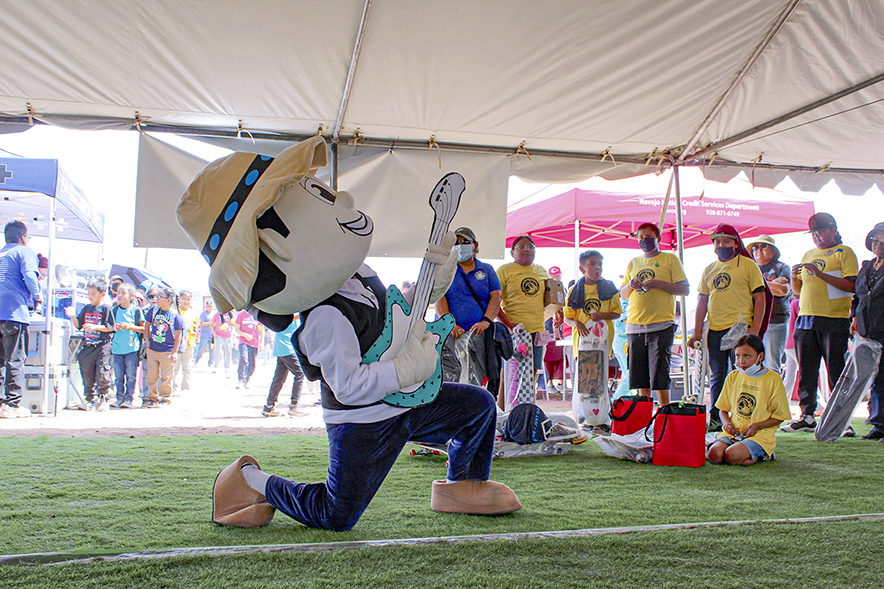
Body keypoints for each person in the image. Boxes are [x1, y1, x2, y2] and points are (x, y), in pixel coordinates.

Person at [177, 136, 519, 530]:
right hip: (365, 420)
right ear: (274, 245)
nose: (341, 200)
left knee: (476, 406)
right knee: (336, 514)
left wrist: (433, 286)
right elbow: (350, 386)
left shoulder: (359, 271)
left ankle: (463, 485)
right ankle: (249, 480)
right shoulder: (324, 317)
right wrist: (402, 370)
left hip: (406, 401)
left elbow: (391, 319)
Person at [687, 224, 770, 431]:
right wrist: (697, 331)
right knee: (717, 375)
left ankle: (747, 416)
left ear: (736, 243)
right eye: (717, 241)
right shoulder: (709, 269)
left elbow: (760, 297)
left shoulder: (748, 265)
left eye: (726, 241)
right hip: (715, 329)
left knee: (746, 373)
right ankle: (717, 418)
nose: (721, 245)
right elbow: (701, 302)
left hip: (741, 329)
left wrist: (755, 329)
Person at [782, 213, 858, 433]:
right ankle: (807, 415)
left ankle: (842, 420)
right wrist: (796, 279)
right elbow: (799, 292)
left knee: (835, 370)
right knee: (807, 369)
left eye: (821, 231)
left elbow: (851, 285)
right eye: (813, 232)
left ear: (833, 229)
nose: (816, 236)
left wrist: (821, 274)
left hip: (833, 318)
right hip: (806, 317)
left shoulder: (844, 253)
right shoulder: (809, 253)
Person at [620, 223, 690, 407]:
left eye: (649, 236)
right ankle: (644, 411)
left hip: (661, 324)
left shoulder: (670, 259)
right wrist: (631, 285)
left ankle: (664, 410)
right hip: (635, 325)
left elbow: (684, 290)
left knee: (660, 370)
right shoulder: (633, 262)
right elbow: (623, 294)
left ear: (658, 239)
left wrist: (660, 284)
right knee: (638, 373)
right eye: (640, 237)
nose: (644, 240)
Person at [435, 226, 502, 396]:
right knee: (449, 377)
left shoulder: (486, 269)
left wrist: (486, 321)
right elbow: (438, 295)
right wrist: (449, 323)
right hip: (450, 333)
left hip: (477, 334)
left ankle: (475, 413)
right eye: (456, 242)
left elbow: (496, 297)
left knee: (477, 379)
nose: (460, 245)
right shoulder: (445, 269)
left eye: (465, 242)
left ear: (475, 245)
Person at [707, 334, 790, 465]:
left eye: (747, 356)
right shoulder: (733, 376)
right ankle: (748, 453)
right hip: (733, 433)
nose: (741, 361)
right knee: (714, 455)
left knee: (732, 455)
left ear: (760, 357)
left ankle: (763, 453)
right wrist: (727, 424)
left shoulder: (773, 379)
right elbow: (722, 410)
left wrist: (756, 426)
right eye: (738, 356)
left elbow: (780, 416)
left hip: (759, 435)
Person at [496, 234, 549, 405]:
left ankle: (525, 412)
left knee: (531, 375)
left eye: (531, 246)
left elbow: (550, 298)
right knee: (509, 376)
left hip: (536, 330)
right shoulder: (504, 271)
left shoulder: (541, 270)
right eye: (521, 246)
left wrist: (558, 312)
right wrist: (508, 324)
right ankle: (503, 415)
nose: (527, 249)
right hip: (513, 331)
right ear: (512, 252)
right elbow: (493, 302)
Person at [0, 221, 42, 418]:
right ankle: (12, 403)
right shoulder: (24, 252)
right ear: (23, 238)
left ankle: (1, 403)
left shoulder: (2, 253)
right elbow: (30, 276)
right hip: (13, 311)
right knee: (15, 357)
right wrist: (38, 297)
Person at [850, 222, 884, 440]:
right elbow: (858, 297)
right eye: (874, 240)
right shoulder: (867, 267)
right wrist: (853, 316)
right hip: (867, 330)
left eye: (882, 241)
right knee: (873, 377)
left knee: (883, 377)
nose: (878, 244)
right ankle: (878, 424)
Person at [65, 277, 116, 411]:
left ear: (102, 294)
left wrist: (95, 327)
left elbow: (111, 328)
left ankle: (103, 397)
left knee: (102, 371)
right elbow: (79, 325)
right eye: (89, 293)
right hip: (88, 345)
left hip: (102, 345)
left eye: (93, 294)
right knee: (86, 371)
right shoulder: (87, 308)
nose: (90, 296)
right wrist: (72, 316)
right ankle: (89, 399)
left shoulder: (106, 308)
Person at [563, 250, 621, 357]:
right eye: (593, 264)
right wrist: (576, 323)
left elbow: (616, 314)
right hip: (582, 341)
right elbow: (567, 318)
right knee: (583, 372)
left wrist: (602, 315)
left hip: (603, 340)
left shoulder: (609, 288)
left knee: (601, 372)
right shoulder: (573, 290)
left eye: (600, 264)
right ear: (582, 269)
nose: (598, 267)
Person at [747, 235, 791, 373]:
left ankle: (773, 394)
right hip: (754, 323)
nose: (758, 250)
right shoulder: (750, 269)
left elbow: (783, 290)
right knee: (751, 365)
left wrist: (756, 285)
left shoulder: (782, 267)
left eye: (763, 246)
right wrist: (772, 284)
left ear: (774, 250)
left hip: (775, 320)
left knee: (771, 365)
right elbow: (744, 288)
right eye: (755, 247)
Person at [141, 286, 183, 407]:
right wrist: (147, 342)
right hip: (153, 349)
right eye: (155, 296)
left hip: (167, 351)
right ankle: (152, 398)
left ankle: (165, 398)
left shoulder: (175, 315)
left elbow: (178, 334)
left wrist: (174, 352)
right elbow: (147, 324)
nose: (156, 299)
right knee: (152, 376)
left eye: (159, 297)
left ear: (169, 299)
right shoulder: (153, 311)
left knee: (166, 377)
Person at [261, 318, 306, 417]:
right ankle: (294, 405)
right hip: (287, 348)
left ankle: (269, 406)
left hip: (281, 348)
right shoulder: (292, 314)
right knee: (299, 374)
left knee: (279, 378)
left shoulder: (283, 312)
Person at [109, 283, 144, 409]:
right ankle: (119, 398)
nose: (120, 295)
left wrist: (131, 327)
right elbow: (108, 327)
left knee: (131, 375)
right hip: (117, 348)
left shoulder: (136, 310)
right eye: (118, 292)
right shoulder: (114, 310)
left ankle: (129, 398)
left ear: (131, 296)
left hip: (131, 348)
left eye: (123, 293)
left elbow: (143, 328)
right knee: (118, 376)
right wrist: (114, 328)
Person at [172, 290, 199, 394]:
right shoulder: (175, 312)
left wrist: (194, 330)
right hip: (177, 344)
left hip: (189, 343)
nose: (186, 301)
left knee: (187, 367)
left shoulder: (194, 313)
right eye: (184, 299)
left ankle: (185, 387)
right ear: (179, 299)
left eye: (188, 299)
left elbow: (197, 327)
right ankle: (174, 387)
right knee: (175, 367)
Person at [234, 308, 262, 389]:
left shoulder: (257, 314)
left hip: (254, 342)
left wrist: (262, 342)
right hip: (243, 341)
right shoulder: (241, 314)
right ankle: (241, 380)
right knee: (244, 359)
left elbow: (261, 328)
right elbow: (237, 329)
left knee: (252, 363)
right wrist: (245, 335)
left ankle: (248, 378)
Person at [193, 299, 215, 368]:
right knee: (201, 348)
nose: (209, 307)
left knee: (212, 349)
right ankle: (196, 360)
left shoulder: (214, 314)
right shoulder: (203, 314)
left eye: (210, 306)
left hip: (212, 334)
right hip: (205, 334)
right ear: (206, 307)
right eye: (208, 306)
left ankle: (211, 362)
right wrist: (210, 323)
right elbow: (201, 323)